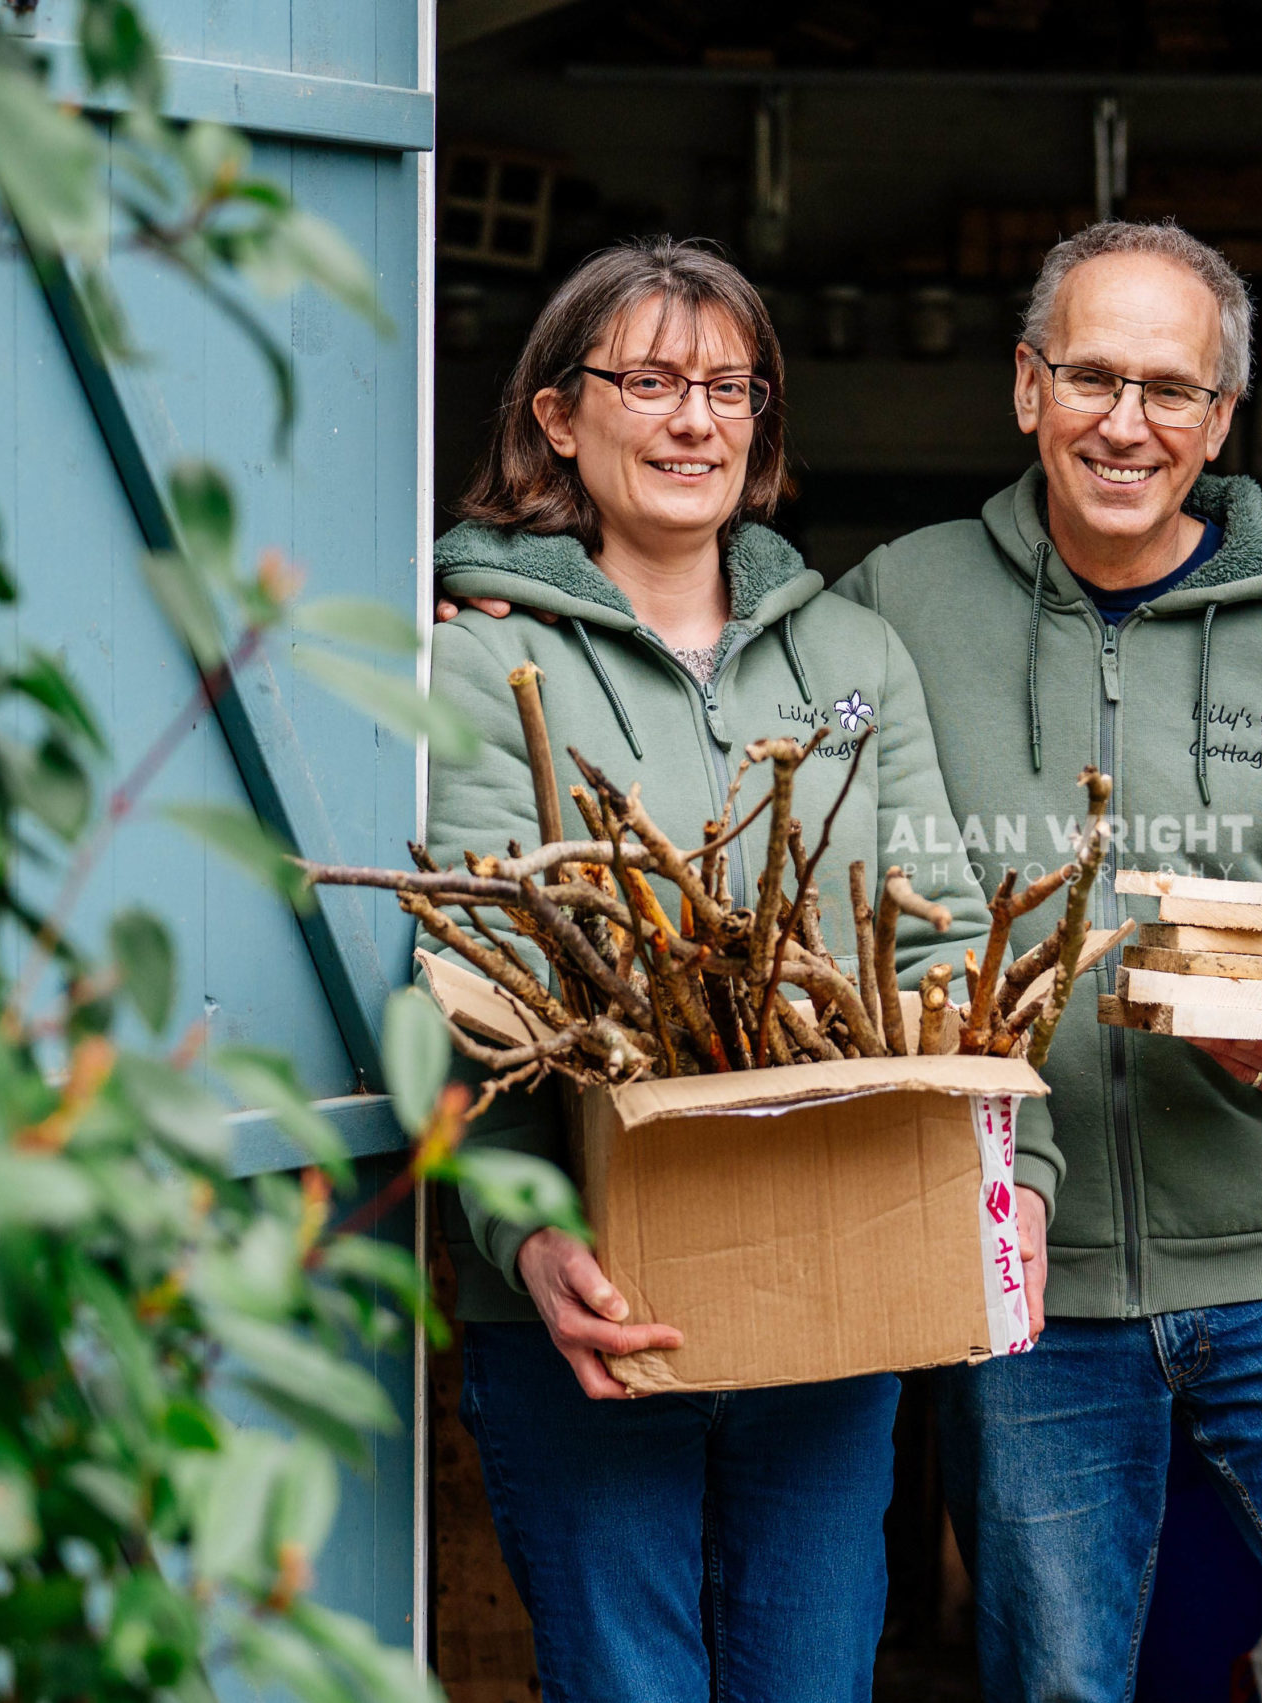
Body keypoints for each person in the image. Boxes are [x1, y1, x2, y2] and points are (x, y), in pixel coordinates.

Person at [836, 221, 1262, 1703]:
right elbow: (698, 593)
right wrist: (508, 583)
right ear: (1024, 387)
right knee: (1059, 1687)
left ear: (1221, 419)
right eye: (1091, 377)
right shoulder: (894, 605)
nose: (1126, 424)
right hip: (1024, 1277)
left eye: (1170, 390)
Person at [425, 236, 999, 1703]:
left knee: (812, 1681)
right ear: (557, 415)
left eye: (731, 387)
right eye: (653, 380)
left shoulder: (854, 653)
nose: (697, 420)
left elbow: (934, 933)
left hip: (832, 1285)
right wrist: (532, 1244)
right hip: (602, 1298)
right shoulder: (484, 665)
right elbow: (470, 984)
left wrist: (1013, 1181)